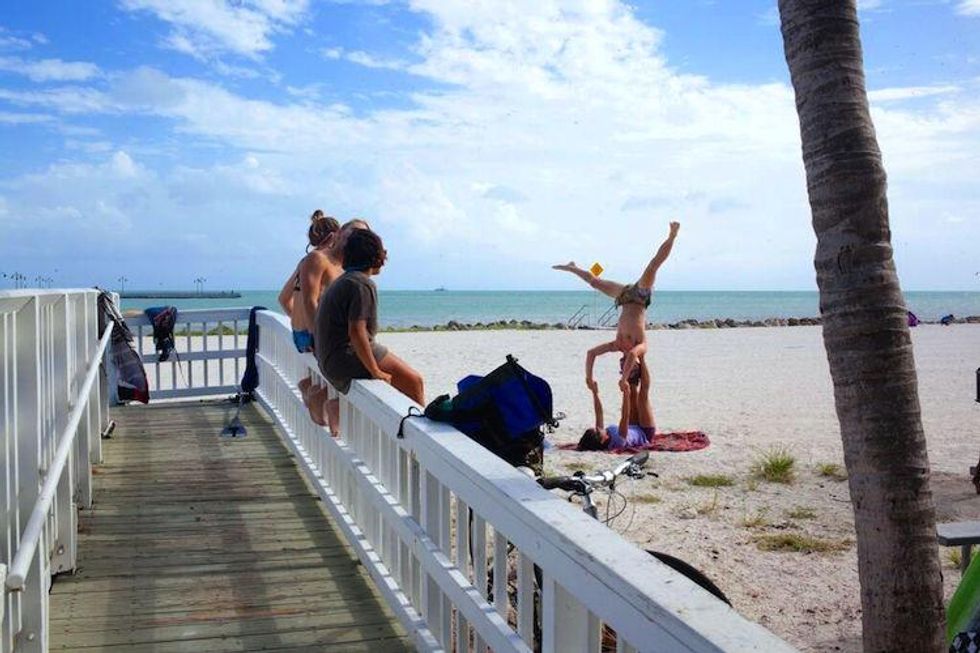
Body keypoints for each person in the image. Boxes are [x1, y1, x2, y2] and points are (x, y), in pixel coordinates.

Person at [554, 221, 679, 390]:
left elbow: (591, 354)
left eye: (622, 370)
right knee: (652, 266)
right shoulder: (641, 347)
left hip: (624, 298)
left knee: (595, 282)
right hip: (641, 297)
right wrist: (625, 380)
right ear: (637, 365)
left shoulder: (617, 345)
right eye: (630, 368)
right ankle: (672, 236)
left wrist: (589, 378)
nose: (625, 368)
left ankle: (572, 267)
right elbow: (634, 354)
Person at [315, 228, 425, 405]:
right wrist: (375, 371)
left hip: (329, 360)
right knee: (414, 381)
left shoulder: (344, 281)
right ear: (376, 256)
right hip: (344, 356)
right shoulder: (361, 284)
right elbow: (356, 332)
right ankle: (420, 432)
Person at [277, 210, 342, 354]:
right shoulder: (324, 261)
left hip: (299, 335)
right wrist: (315, 332)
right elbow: (311, 302)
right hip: (313, 336)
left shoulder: (304, 262)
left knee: (313, 377)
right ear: (334, 236)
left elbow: (283, 299)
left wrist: (298, 319)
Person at [577, 357, 655, 451]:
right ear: (602, 440)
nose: (598, 428)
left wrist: (594, 392)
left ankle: (632, 371)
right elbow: (625, 416)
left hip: (633, 426)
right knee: (643, 396)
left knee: (633, 388)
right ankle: (642, 357)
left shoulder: (603, 434)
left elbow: (599, 413)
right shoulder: (618, 440)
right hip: (645, 432)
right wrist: (626, 393)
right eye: (597, 431)